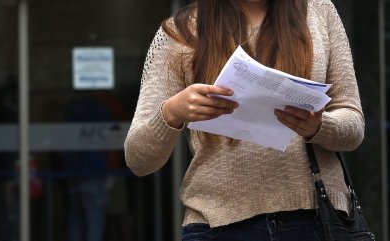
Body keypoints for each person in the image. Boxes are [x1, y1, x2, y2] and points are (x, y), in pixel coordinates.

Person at [124, 0, 364, 240]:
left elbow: (353, 125)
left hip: (315, 218)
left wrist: (320, 126)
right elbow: (138, 159)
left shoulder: (319, 11)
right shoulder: (180, 31)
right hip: (217, 223)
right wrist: (172, 112)